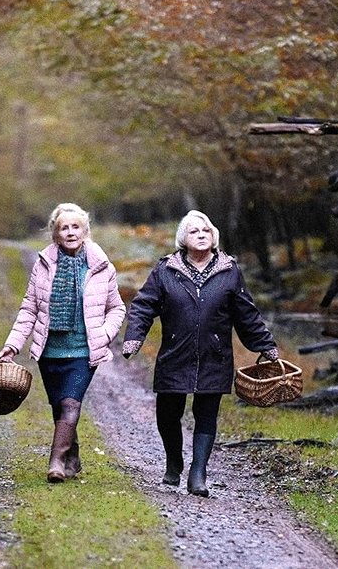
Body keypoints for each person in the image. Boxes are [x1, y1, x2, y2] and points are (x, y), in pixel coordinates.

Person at [121, 210, 279, 497]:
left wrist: (266, 346)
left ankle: (198, 473)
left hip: (214, 354)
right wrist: (134, 338)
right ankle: (174, 461)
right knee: (168, 414)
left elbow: (246, 313)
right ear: (184, 238)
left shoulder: (229, 270)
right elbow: (144, 306)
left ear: (214, 235)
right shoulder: (166, 270)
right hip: (175, 353)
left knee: (207, 414)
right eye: (194, 231)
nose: (202, 234)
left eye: (206, 230)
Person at [0, 203, 126, 483]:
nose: (70, 232)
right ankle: (73, 455)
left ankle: (55, 461)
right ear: (55, 234)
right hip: (50, 350)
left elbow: (117, 308)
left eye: (75, 227)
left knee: (71, 403)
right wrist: (13, 344)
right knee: (59, 406)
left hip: (83, 349)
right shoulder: (43, 265)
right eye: (63, 228)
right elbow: (29, 308)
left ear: (86, 231)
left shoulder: (102, 266)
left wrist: (103, 335)